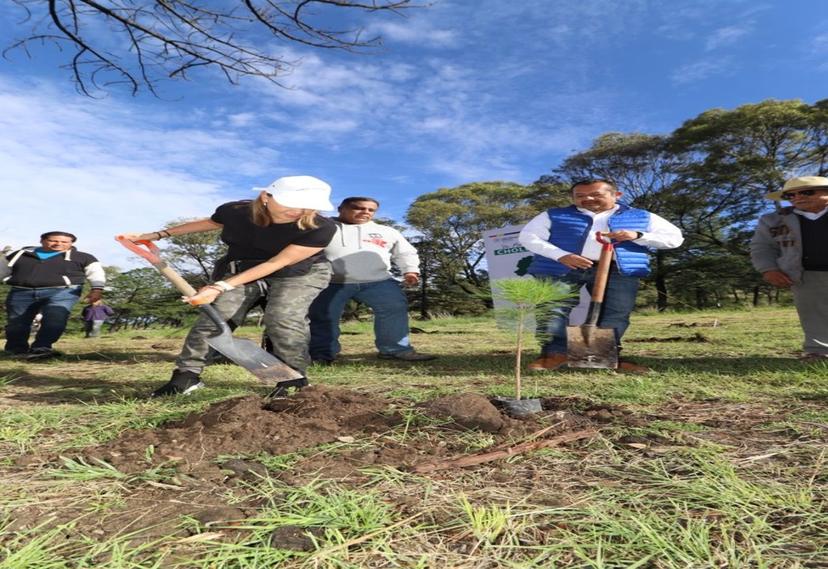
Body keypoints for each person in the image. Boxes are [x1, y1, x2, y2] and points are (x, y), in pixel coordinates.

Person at [120, 175, 337, 396]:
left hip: (298, 274)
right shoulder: (235, 211)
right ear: (265, 196)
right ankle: (186, 376)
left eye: (308, 206)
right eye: (292, 203)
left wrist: (219, 287)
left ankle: (294, 380)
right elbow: (210, 223)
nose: (299, 211)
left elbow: (276, 262)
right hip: (242, 269)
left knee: (283, 317)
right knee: (216, 317)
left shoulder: (321, 227)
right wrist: (157, 235)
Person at [518, 179, 684, 372]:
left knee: (616, 312)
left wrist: (638, 236)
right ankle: (555, 354)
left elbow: (675, 239)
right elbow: (528, 236)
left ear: (616, 195)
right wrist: (561, 255)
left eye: (596, 194)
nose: (587, 198)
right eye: (580, 196)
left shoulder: (641, 216)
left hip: (618, 270)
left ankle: (602, 356)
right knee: (553, 309)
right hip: (560, 267)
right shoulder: (554, 215)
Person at [309, 197, 436, 363]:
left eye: (371, 210)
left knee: (394, 307)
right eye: (358, 208)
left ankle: (394, 350)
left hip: (378, 281)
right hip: (330, 282)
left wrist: (410, 271)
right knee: (323, 315)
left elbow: (406, 252)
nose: (365, 212)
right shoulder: (322, 227)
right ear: (341, 209)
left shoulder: (387, 231)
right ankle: (323, 354)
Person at [750, 175, 828, 360]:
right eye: (790, 196)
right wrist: (768, 269)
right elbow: (761, 247)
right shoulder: (773, 220)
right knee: (812, 312)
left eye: (806, 192)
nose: (797, 197)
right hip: (805, 274)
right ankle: (819, 351)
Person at [2, 231, 106, 359]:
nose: (58, 244)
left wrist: (97, 289)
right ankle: (16, 350)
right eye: (53, 241)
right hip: (21, 291)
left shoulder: (84, 257)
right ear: (42, 240)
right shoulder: (19, 254)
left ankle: (42, 348)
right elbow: (2, 270)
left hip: (62, 291)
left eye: (64, 242)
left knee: (56, 316)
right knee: (17, 322)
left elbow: (96, 273)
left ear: (71, 243)